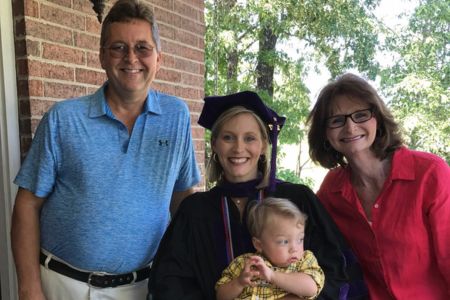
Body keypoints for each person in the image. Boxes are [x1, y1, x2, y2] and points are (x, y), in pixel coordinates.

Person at [11, 0, 200, 299]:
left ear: (158, 58)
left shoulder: (176, 117)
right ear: (101, 56)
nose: (131, 58)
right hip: (65, 285)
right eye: (118, 48)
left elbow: (182, 201)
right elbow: (26, 205)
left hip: (145, 287)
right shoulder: (63, 120)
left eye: (142, 48)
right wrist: (29, 288)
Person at [148, 90, 367, 299]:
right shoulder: (195, 210)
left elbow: (336, 270)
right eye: (228, 138)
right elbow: (171, 283)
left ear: (264, 144)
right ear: (214, 144)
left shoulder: (298, 200)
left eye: (250, 138)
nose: (238, 148)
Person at [307, 73, 450, 299]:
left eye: (361, 115)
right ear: (325, 134)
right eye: (336, 120)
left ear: (378, 119)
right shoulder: (330, 191)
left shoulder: (430, 173)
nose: (350, 127)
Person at [216, 197, 325, 300]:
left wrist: (272, 276)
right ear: (259, 245)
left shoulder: (304, 261)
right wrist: (239, 283)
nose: (294, 249)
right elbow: (220, 296)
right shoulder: (245, 263)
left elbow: (311, 288)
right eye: (284, 242)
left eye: (300, 239)